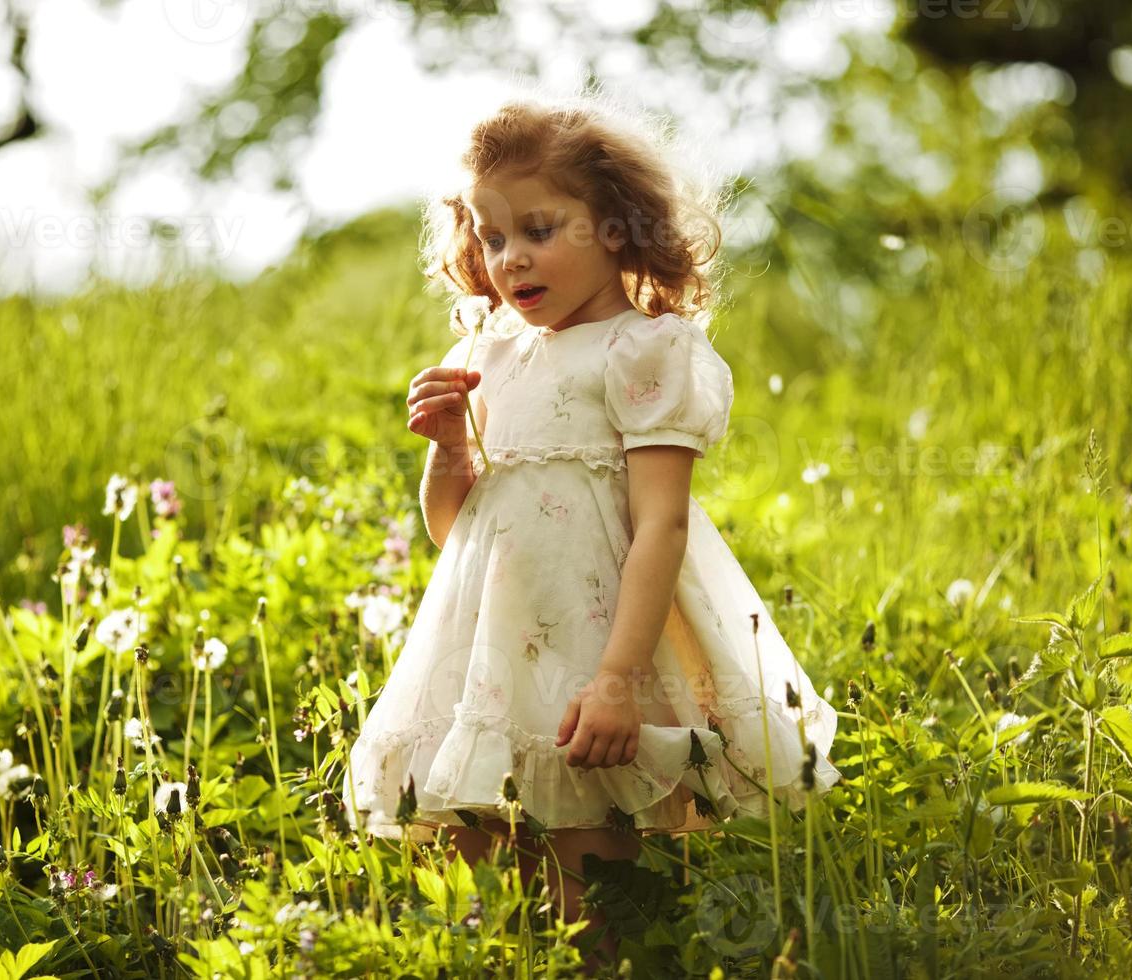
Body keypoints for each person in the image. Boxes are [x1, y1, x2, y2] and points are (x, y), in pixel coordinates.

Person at [341, 89, 841, 972]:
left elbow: (661, 526)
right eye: (491, 237)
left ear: (613, 227)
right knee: (485, 883)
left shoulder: (643, 352)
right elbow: (453, 529)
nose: (509, 259)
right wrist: (449, 447)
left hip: (595, 656)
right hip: (487, 658)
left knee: (593, 898)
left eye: (538, 229)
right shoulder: (486, 353)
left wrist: (615, 680)